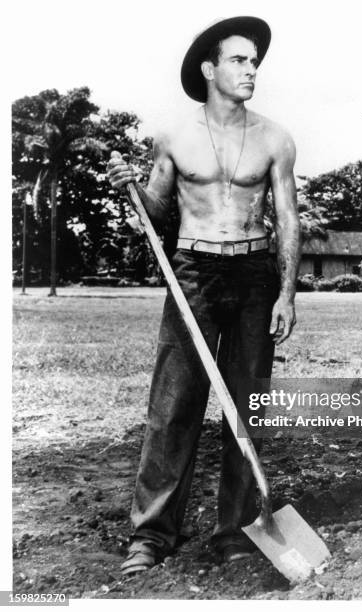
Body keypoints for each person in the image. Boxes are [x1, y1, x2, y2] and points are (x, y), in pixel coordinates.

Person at [106, 15, 300, 575]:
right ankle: (152, 536)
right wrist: (133, 190)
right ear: (210, 69)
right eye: (239, 60)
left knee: (246, 407)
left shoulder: (275, 138)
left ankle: (236, 531)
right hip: (191, 272)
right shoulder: (175, 136)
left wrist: (286, 294)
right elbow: (159, 212)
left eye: (254, 61)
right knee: (174, 407)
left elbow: (288, 220)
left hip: (255, 275)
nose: (251, 69)